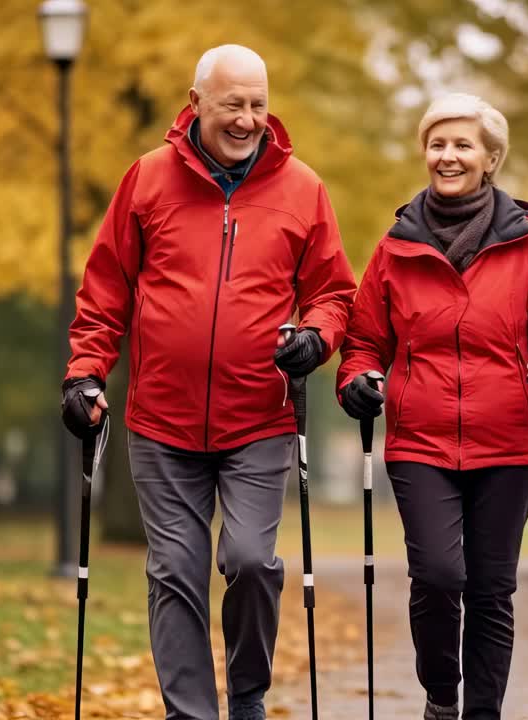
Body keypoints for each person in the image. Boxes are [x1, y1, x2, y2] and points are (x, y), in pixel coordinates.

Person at [60, 44, 356, 720]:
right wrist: (84, 373)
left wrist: (317, 337)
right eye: (233, 105)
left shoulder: (301, 188)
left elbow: (334, 292)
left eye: (257, 104)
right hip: (161, 421)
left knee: (252, 563)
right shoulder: (148, 180)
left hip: (259, 419)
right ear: (196, 105)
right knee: (174, 575)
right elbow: (105, 290)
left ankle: (247, 695)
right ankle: (190, 714)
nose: (247, 119)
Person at [336, 93, 528, 720]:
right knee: (441, 579)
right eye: (437, 144)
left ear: (491, 158)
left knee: (492, 590)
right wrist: (359, 378)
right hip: (421, 443)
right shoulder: (395, 248)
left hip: (509, 445)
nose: (447, 156)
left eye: (462, 145)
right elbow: (365, 339)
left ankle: (482, 714)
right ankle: (441, 697)